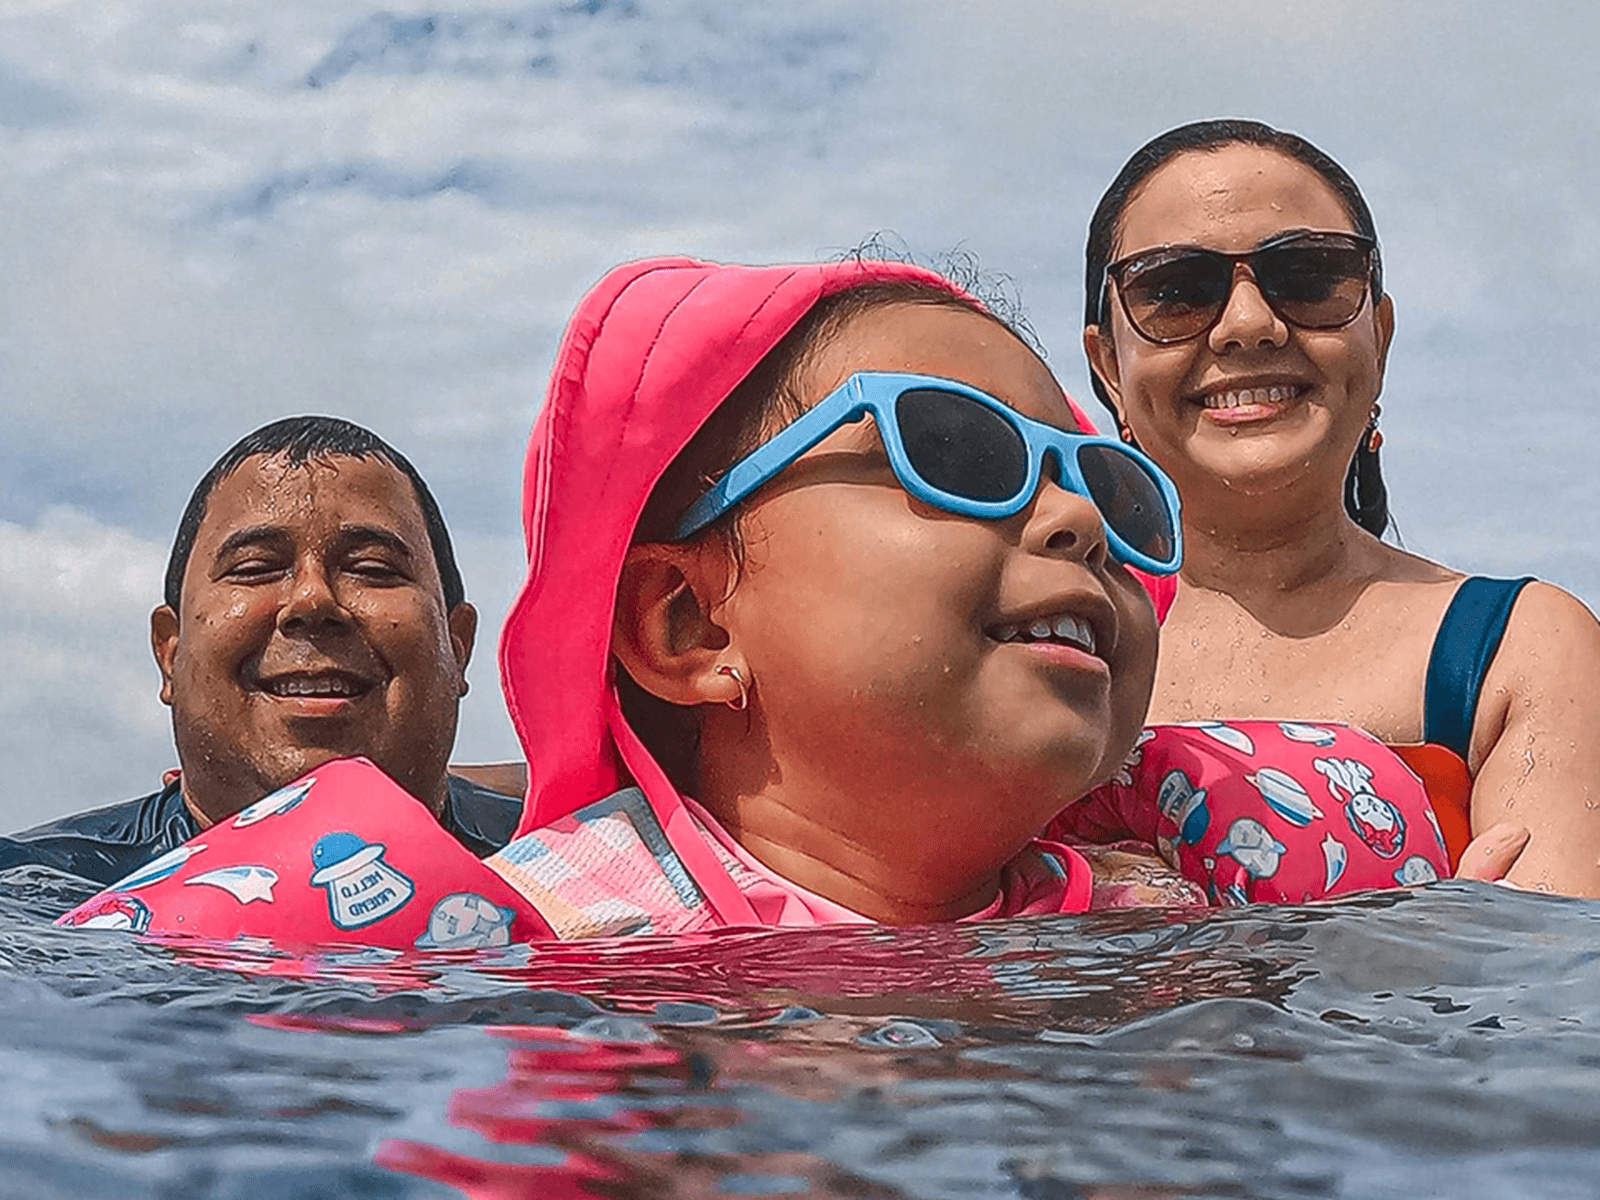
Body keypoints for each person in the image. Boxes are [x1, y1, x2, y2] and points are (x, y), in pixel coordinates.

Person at [483, 255, 1186, 933]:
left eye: (1112, 493)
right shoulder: (538, 932)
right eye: (957, 451)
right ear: (691, 626)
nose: (1082, 518)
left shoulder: (1164, 912)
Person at [1079, 119, 1600, 897]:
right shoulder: (1041, 638)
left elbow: (1555, 997)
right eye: (1176, 291)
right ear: (1109, 370)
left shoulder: (1518, 648)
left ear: (1379, 338)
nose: (1249, 325)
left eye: (1310, 277)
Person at [5, 416, 520, 885]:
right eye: (253, 568)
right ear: (169, 652)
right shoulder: (36, 891)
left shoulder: (559, 864)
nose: (312, 599)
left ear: (458, 647)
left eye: (372, 569)